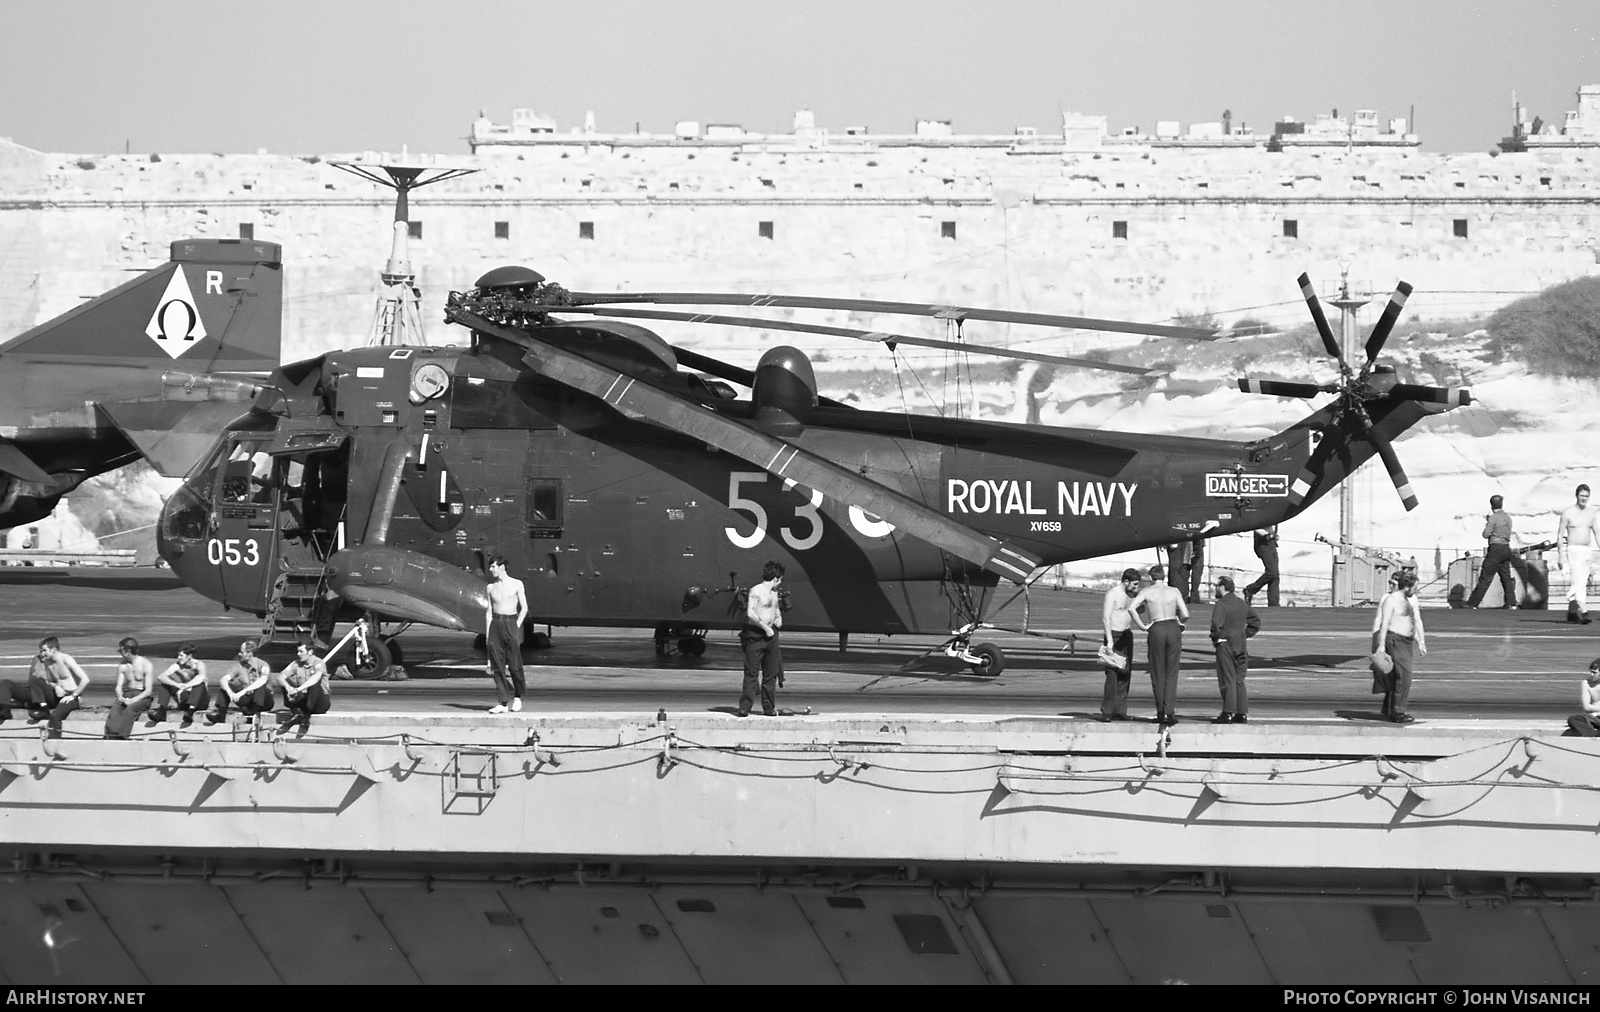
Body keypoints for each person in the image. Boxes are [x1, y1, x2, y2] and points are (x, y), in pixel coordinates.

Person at [1129, 564, 1189, 725]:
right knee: (1171, 672)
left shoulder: (1147, 591)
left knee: (1157, 672)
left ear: (1150, 578)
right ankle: (1170, 711)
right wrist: (1179, 622)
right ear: (1164, 576)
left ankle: (1160, 712)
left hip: (1156, 627)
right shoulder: (1174, 591)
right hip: (1172, 627)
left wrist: (1143, 626)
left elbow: (1132, 608)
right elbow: (1185, 614)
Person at [1375, 570, 1427, 723]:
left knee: (1397, 677)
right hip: (1395, 641)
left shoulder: (1408, 599)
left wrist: (1420, 640)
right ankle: (1398, 712)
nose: (1416, 590)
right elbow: (1384, 623)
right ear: (1407, 587)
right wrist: (1381, 646)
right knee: (1404, 676)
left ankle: (1390, 709)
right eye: (1415, 587)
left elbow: (1412, 622)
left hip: (1406, 642)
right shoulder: (1391, 600)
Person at [1208, 575, 1261, 724]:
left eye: (1217, 586)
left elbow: (1216, 625)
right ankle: (1241, 712)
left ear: (1223, 587)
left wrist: (1216, 638)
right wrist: (1244, 634)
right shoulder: (1241, 603)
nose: (1216, 589)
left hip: (1226, 644)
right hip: (1241, 645)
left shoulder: (1221, 604)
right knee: (1239, 679)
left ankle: (1227, 712)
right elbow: (1256, 621)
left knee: (1227, 679)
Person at [737, 560, 786, 717]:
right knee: (751, 673)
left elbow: (776, 609)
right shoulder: (756, 591)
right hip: (756, 636)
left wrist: (779, 619)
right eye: (780, 579)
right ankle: (745, 706)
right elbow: (750, 613)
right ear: (775, 578)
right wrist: (765, 628)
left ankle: (768, 707)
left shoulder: (774, 593)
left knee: (770, 674)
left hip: (771, 637)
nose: (780, 582)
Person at [484, 553, 529, 715]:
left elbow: (524, 608)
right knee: (497, 666)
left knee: (515, 665)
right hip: (496, 624)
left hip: (511, 622)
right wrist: (488, 633)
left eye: (493, 566)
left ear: (502, 567)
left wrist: (516, 626)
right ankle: (502, 702)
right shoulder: (490, 587)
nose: (491, 570)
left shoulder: (517, 584)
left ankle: (518, 696)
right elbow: (489, 611)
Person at [1099, 568, 1143, 721]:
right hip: (1114, 635)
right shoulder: (1113, 594)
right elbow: (1106, 618)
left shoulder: (1132, 594)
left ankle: (1120, 710)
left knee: (1125, 673)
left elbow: (1135, 610)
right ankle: (1107, 711)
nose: (1136, 588)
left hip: (1126, 634)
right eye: (1135, 584)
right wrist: (1110, 641)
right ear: (1126, 581)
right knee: (1112, 674)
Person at [30, 637, 90, 738]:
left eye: (45, 650)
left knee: (55, 716)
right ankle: (44, 709)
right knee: (35, 679)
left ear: (53, 649)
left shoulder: (66, 659)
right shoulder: (48, 662)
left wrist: (73, 696)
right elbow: (49, 681)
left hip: (72, 697)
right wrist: (56, 686)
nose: (42, 653)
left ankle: (56, 740)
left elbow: (85, 679)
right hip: (59, 695)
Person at [1466, 494, 1518, 609]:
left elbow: (1485, 534)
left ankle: (1473, 603)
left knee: (1486, 577)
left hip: (1495, 549)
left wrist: (1488, 522)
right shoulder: (1507, 517)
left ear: (1491, 505)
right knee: (1506, 577)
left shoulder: (1493, 518)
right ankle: (1512, 602)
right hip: (1506, 548)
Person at [207, 640, 274, 725]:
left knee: (260, 686)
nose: (239, 654)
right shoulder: (239, 666)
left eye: (241, 652)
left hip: (264, 701)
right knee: (226, 686)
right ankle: (221, 716)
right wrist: (230, 693)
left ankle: (254, 715)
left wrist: (244, 691)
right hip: (248, 698)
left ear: (249, 653)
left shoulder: (263, 665)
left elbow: (263, 680)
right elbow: (224, 679)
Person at [1557, 484, 1596, 624]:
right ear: (1577, 495)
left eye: (1586, 496)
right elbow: (1560, 535)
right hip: (1573, 550)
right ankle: (1584, 612)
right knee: (1577, 580)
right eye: (1582, 495)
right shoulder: (1568, 513)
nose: (1584, 499)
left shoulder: (1591, 514)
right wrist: (1561, 556)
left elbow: (1597, 534)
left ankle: (1572, 612)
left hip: (1586, 550)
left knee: (1582, 580)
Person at [105, 637, 155, 739]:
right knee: (115, 710)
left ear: (127, 651)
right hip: (128, 693)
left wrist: (133, 700)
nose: (120, 653)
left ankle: (122, 736)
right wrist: (120, 697)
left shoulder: (146, 664)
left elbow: (148, 691)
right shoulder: (123, 665)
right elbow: (119, 686)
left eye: (121, 651)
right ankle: (110, 735)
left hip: (142, 696)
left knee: (130, 710)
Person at [151, 642, 210, 726]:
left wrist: (185, 686)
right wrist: (177, 685)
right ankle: (161, 711)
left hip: (200, 701)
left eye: (181, 656)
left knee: (200, 684)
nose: (178, 658)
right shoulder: (178, 666)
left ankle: (190, 712)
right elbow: (161, 677)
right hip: (185, 698)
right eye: (178, 655)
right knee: (165, 683)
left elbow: (201, 677)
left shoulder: (199, 665)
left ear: (189, 656)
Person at [278, 641, 330, 732]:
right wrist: (288, 688)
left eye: (301, 651)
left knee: (315, 685)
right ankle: (296, 713)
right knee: (285, 682)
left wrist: (298, 689)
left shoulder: (319, 663)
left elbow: (316, 678)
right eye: (298, 651)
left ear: (310, 652)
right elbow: (280, 676)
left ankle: (305, 717)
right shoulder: (296, 664)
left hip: (320, 702)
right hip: (305, 699)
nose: (298, 654)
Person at [1245, 525, 1281, 607]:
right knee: (1272, 572)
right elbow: (1253, 523)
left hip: (1271, 542)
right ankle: (1250, 589)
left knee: (1275, 575)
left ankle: (1274, 603)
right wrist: (1266, 534)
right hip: (1263, 542)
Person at [1566, 659, 1600, 737]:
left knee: (1572, 732)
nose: (1591, 674)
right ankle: (1592, 733)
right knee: (1573, 719)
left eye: (1594, 673)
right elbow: (1587, 707)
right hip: (1593, 717)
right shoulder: (1587, 683)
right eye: (1591, 672)